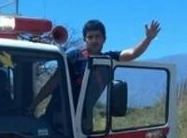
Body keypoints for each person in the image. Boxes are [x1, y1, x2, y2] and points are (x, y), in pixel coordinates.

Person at [30, 19, 162, 111]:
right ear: (85, 40)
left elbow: (132, 53)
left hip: (84, 121)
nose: (94, 40)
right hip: (60, 115)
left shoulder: (108, 59)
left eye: (97, 36)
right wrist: (34, 104)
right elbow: (53, 83)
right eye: (90, 37)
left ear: (104, 39)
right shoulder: (74, 57)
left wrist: (148, 39)